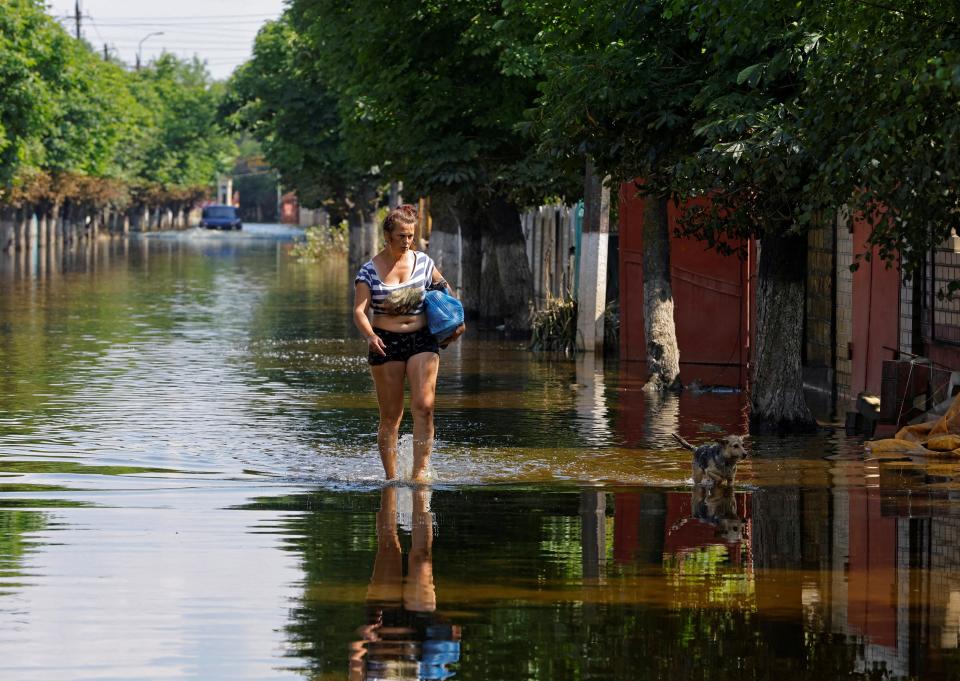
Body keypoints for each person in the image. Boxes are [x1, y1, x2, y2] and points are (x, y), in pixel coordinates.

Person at [353, 204, 461, 482]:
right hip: (385, 343)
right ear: (387, 237)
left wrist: (455, 320)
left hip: (421, 339)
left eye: (411, 236)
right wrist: (370, 336)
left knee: (424, 406)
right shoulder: (369, 271)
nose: (407, 241)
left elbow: (445, 292)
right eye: (401, 236)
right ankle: (391, 479)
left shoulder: (424, 263)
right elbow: (359, 311)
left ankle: (419, 474)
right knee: (391, 416)